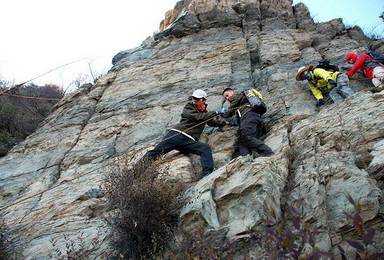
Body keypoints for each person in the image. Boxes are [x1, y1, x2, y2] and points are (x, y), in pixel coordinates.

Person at [141, 89, 232, 179]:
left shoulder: (205, 113)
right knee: (156, 152)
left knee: (205, 148)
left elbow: (211, 122)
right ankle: (136, 171)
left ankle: (206, 175)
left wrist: (226, 123)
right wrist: (216, 112)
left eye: (197, 99)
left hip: (188, 141)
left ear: (204, 100)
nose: (194, 101)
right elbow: (199, 118)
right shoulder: (188, 107)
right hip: (176, 135)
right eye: (193, 98)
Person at [221, 87, 273, 158]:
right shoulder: (240, 100)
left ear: (233, 91)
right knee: (242, 141)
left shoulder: (237, 95)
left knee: (247, 137)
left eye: (227, 95)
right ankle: (246, 159)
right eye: (225, 98)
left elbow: (229, 112)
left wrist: (222, 113)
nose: (227, 98)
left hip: (249, 117)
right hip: (253, 119)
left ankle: (267, 152)